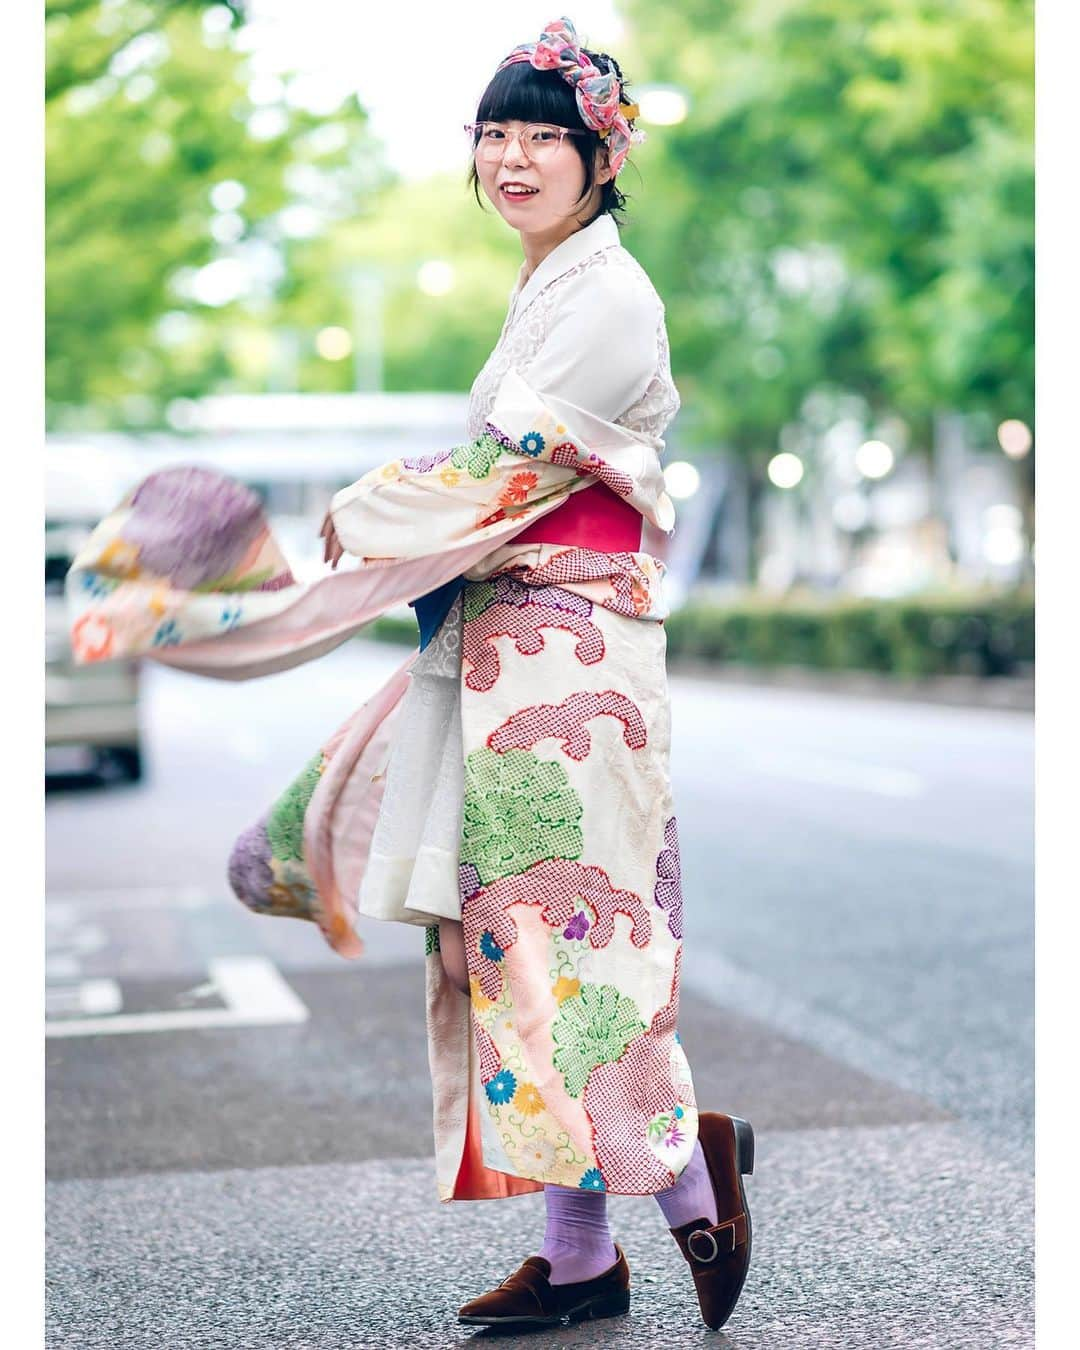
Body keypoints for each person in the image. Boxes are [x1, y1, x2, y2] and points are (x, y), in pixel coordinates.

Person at [66, 15, 754, 1335]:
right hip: (508, 658)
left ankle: (681, 1202)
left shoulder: (610, 296)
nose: (510, 156)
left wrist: (370, 508)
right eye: (492, 133)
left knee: (572, 954)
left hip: (574, 666)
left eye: (540, 135)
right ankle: (585, 1256)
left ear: (598, 159)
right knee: (499, 949)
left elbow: (508, 473)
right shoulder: (552, 285)